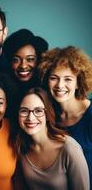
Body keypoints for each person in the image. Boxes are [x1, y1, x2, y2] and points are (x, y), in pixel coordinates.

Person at [38, 46, 92, 188]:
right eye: (54, 78)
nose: (60, 85)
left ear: (78, 82)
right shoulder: (47, 115)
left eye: (68, 79)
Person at [16, 87, 89, 190]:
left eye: (38, 111)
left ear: (47, 114)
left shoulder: (69, 148)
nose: (30, 118)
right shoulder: (21, 148)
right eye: (24, 111)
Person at [3, 28, 48, 97]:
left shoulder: (48, 88)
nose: (23, 66)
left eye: (30, 59)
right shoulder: (2, 90)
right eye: (16, 60)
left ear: (38, 60)